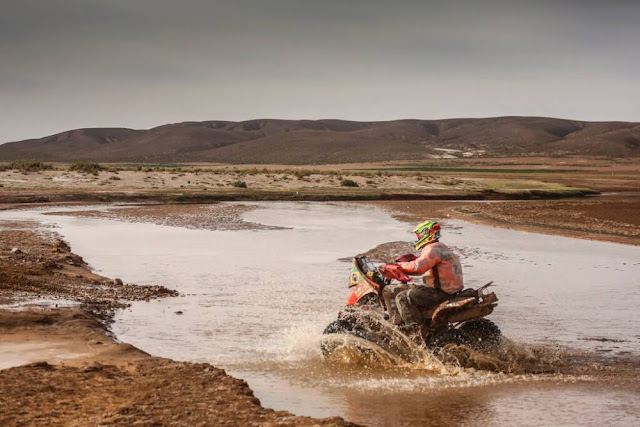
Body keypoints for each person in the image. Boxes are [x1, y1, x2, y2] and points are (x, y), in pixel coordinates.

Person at [391, 220, 464, 328]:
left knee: (402, 297)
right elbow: (423, 264)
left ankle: (415, 331)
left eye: (420, 235)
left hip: (441, 293)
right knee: (408, 289)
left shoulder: (433, 248)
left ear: (427, 233)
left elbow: (418, 268)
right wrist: (409, 263)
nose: (418, 238)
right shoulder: (440, 247)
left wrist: (398, 266)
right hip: (450, 290)